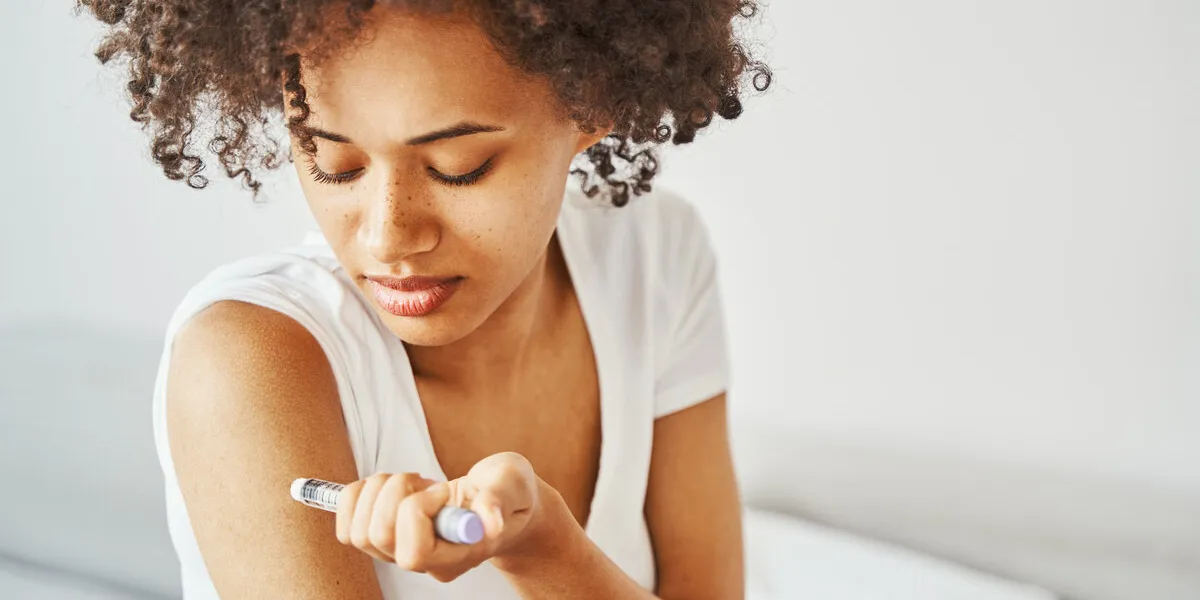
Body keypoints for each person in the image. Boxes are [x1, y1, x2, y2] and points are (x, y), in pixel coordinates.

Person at [80, 0, 771, 597]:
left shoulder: (654, 256)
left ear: (592, 103)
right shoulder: (246, 361)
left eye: (456, 168)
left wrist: (541, 549)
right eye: (332, 161)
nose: (388, 238)